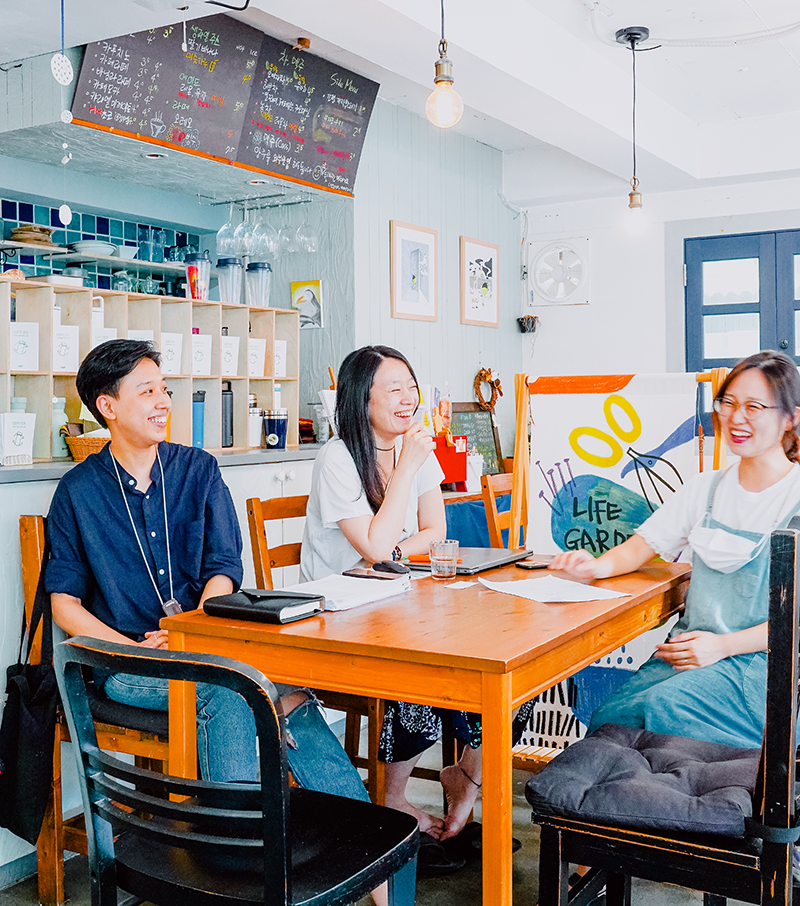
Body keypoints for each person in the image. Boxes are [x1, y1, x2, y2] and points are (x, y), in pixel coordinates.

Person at [45, 339, 372, 799]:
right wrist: (139, 650)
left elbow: (223, 566)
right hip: (127, 661)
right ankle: (239, 845)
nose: (163, 402)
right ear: (108, 406)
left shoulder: (198, 469)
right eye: (147, 392)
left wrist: (190, 633)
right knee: (233, 692)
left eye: (165, 390)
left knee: (288, 685)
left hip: (207, 640)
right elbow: (65, 605)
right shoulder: (78, 492)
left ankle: (358, 844)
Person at [549, 350, 800, 751]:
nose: (736, 418)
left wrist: (721, 646)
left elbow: (795, 625)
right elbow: (641, 548)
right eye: (728, 403)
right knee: (609, 717)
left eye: (754, 407)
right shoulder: (707, 488)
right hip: (686, 652)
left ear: (790, 418)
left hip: (761, 668)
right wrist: (593, 566)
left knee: (664, 710)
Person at [301, 345, 482, 846]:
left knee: (488, 665)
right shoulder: (338, 457)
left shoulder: (413, 446)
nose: (408, 398)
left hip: (397, 597)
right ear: (362, 400)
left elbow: (435, 532)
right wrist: (405, 477)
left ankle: (466, 775)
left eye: (411, 385)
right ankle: (393, 797)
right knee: (420, 670)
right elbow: (375, 548)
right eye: (393, 388)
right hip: (338, 615)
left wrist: (391, 552)